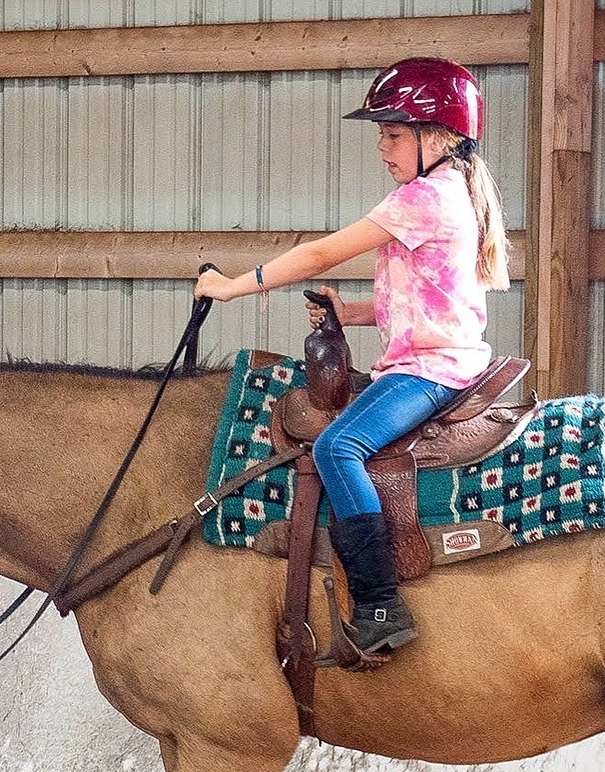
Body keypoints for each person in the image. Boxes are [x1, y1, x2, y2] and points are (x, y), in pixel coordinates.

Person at [195, 57, 510, 656]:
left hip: (430, 372)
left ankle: (380, 602)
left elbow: (319, 255)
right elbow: (419, 303)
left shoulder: (422, 200)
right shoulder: (449, 193)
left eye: (393, 135)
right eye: (381, 136)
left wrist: (233, 286)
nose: (383, 148)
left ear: (435, 137)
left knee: (338, 447)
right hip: (444, 356)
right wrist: (349, 312)